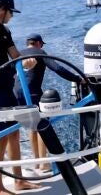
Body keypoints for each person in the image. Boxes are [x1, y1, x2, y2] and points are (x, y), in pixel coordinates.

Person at [0, 0, 42, 194]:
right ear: (3, 10)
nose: (12, 17)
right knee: (0, 137)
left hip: (6, 88)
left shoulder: (4, 31)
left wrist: (27, 62)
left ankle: (19, 181)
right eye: (11, 13)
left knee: (14, 133)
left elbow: (16, 56)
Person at [13, 33, 85, 172]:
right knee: (42, 126)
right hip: (32, 93)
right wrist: (78, 79)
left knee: (31, 127)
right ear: (39, 43)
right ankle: (45, 164)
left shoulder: (19, 54)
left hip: (16, 94)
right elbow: (58, 68)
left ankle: (37, 162)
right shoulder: (40, 52)